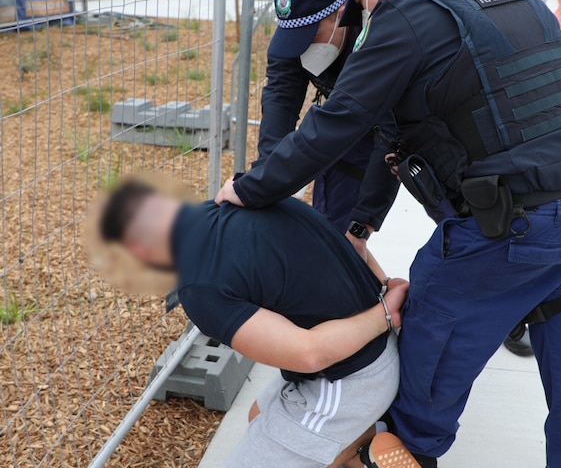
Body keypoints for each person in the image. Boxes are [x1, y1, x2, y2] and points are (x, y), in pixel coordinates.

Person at [216, 0, 561, 468]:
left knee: (423, 376)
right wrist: (357, 225)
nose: (363, 15)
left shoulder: (403, 18)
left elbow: (340, 122)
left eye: (360, 1)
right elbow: (398, 136)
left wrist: (248, 189)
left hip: (512, 227)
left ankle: (402, 453)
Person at [92, 177, 407, 468]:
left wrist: (385, 315)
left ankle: (361, 451)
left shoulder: (200, 288)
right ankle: (356, 446)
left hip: (354, 376)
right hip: (365, 343)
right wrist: (383, 288)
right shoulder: (242, 192)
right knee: (258, 415)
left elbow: (309, 353)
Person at [257, 0, 400, 260]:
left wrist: (364, 222)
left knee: (455, 224)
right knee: (332, 235)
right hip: (340, 118)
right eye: (297, 38)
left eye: (312, 35)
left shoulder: (379, 36)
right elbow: (280, 100)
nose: (304, 47)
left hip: (398, 121)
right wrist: (265, 183)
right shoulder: (293, 38)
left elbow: (394, 133)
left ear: (342, 11)